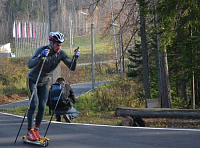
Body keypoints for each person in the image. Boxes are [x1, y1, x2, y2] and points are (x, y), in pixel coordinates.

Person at [26, 31, 80, 141]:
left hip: (45, 82)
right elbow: (29, 65)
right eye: (57, 45)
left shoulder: (61, 53)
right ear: (51, 43)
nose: (59, 47)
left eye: (60, 45)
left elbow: (72, 67)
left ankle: (36, 130)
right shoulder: (42, 50)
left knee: (42, 106)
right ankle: (30, 131)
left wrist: (75, 58)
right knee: (34, 105)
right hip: (32, 80)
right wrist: (41, 57)